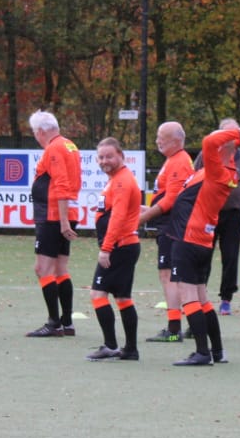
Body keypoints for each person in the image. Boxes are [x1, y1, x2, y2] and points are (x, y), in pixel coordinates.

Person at [167, 121, 240, 366]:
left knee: (188, 295)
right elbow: (221, 143)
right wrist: (239, 137)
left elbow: (210, 142)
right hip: (201, 238)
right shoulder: (227, 167)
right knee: (202, 298)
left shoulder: (216, 169)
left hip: (189, 238)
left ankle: (202, 352)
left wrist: (238, 134)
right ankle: (217, 351)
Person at [85, 137, 143, 361]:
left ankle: (111, 345)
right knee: (122, 298)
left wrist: (106, 248)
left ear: (121, 156)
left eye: (109, 156)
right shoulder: (118, 179)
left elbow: (117, 218)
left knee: (98, 294)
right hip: (125, 246)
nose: (104, 161)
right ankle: (130, 349)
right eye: (100, 157)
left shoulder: (120, 182)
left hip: (119, 247)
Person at [25, 110, 81, 337]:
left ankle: (54, 323)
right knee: (60, 269)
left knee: (43, 269)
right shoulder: (70, 145)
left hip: (53, 216)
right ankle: (67, 322)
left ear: (40, 131)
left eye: (34, 132)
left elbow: (61, 183)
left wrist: (63, 221)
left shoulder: (54, 148)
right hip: (65, 213)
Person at [138, 121, 193, 342]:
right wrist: (144, 209)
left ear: (176, 141)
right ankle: (191, 324)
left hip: (172, 226)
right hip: (170, 225)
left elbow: (171, 200)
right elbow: (165, 197)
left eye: (162, 137)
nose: (157, 141)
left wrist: (143, 217)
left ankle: (174, 329)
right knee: (175, 275)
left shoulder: (179, 161)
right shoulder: (173, 160)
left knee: (169, 275)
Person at [199, 118, 240, 315]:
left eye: (237, 132)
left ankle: (226, 299)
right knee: (203, 255)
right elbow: (194, 179)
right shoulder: (207, 153)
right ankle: (199, 296)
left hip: (232, 214)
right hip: (208, 213)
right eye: (229, 133)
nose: (233, 137)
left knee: (231, 256)